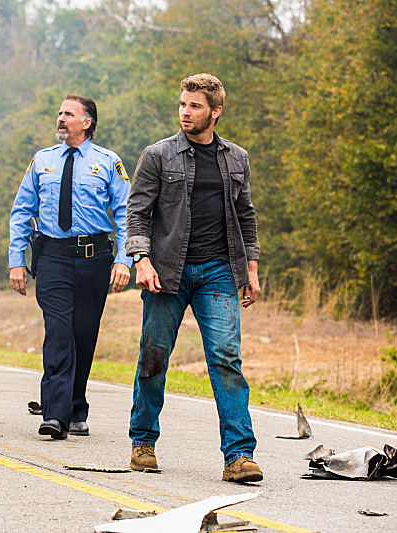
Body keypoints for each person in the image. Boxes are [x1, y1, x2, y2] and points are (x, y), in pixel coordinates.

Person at [126, 73, 263, 482]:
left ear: (215, 111)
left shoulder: (237, 158)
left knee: (226, 359)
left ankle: (238, 456)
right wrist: (141, 258)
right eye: (183, 104)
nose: (186, 112)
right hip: (165, 271)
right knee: (154, 356)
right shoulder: (157, 155)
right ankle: (143, 442)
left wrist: (251, 268)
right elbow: (137, 211)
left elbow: (246, 215)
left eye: (195, 106)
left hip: (219, 271)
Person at [9, 93, 131, 439]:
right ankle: (55, 415)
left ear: (87, 122)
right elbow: (21, 213)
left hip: (94, 258)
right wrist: (17, 261)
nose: (61, 119)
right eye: (60, 113)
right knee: (59, 332)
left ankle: (76, 406)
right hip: (53, 258)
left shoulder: (108, 162)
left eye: (69, 114)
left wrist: (124, 259)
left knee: (83, 333)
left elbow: (125, 214)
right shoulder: (42, 160)